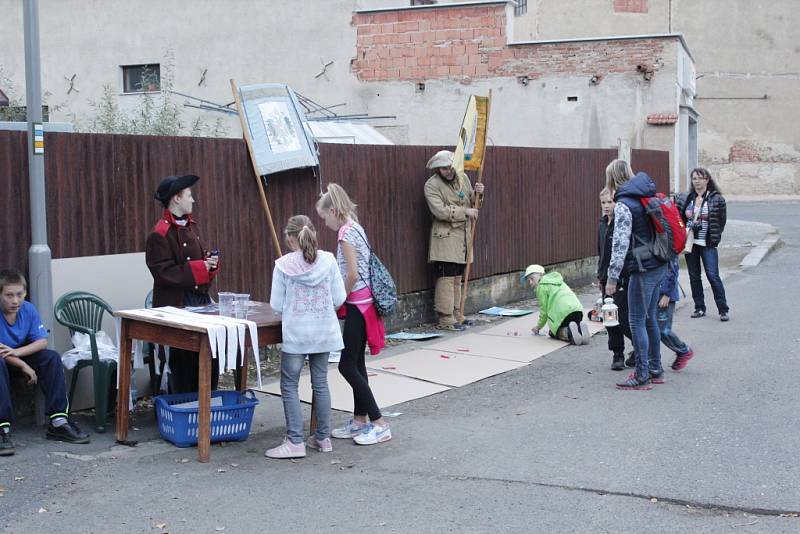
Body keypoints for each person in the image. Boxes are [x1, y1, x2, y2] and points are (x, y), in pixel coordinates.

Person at [316, 184, 391, 446]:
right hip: (365, 303)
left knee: (346, 365)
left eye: (324, 217)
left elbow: (352, 274)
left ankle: (379, 423)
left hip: (358, 304)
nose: (325, 224)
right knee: (356, 363)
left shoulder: (345, 233)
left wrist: (338, 299)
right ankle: (360, 420)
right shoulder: (356, 226)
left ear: (334, 211)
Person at [265, 216, 346, 459]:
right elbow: (339, 297)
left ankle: (295, 441)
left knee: (289, 384)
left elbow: (276, 304)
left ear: (291, 238)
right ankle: (323, 437)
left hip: (296, 335)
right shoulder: (329, 260)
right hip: (324, 332)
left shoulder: (283, 266)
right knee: (320, 382)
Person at [0, 269, 90, 456]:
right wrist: (24, 365)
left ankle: (58, 421)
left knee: (51, 357)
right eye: (9, 295)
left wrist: (18, 352)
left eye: (19, 294)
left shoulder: (28, 309)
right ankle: (3, 428)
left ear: (25, 292)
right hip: (4, 361)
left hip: (16, 355)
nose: (15, 301)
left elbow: (42, 341)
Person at [145, 174, 220, 394]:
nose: (193, 200)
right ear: (176, 199)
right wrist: (199, 268)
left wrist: (209, 265)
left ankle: (208, 411)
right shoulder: (159, 234)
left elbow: (195, 260)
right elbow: (163, 273)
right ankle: (186, 415)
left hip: (199, 301)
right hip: (177, 306)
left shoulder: (191, 227)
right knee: (183, 364)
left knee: (209, 359)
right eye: (189, 195)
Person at [605, 159, 668, 390]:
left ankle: (641, 374)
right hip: (658, 263)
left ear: (612, 179)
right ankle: (656, 368)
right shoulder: (644, 195)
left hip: (642, 268)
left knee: (636, 320)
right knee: (649, 318)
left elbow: (620, 244)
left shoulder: (624, 204)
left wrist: (612, 278)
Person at [424, 150, 486, 330]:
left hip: (463, 238)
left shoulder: (463, 178)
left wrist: (478, 194)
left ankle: (457, 313)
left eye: (450, 167)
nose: (448, 171)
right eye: (444, 168)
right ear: (437, 169)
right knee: (446, 278)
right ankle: (445, 318)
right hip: (445, 238)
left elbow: (472, 202)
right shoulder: (431, 185)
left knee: (458, 277)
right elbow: (440, 211)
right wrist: (464, 212)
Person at [677, 167, 729, 321]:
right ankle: (699, 307)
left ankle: (723, 309)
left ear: (707, 179)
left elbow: (721, 221)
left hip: (707, 243)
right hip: (690, 243)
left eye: (700, 178)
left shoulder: (717, 199)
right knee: (694, 276)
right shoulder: (686, 198)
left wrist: (714, 236)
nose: (697, 181)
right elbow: (680, 219)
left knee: (713, 275)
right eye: (694, 178)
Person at [596, 188, 633, 370]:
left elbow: (621, 253)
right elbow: (601, 252)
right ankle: (617, 354)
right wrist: (600, 277)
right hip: (605, 279)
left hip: (620, 278)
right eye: (603, 203)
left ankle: (639, 348)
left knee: (624, 318)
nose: (606, 206)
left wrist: (615, 277)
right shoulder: (602, 224)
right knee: (610, 318)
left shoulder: (621, 224)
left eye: (610, 202)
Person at [522, 264, 590, 345]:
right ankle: (580, 329)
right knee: (573, 324)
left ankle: (568, 333)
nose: (530, 282)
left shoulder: (541, 287)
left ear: (541, 275)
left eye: (532, 278)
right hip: (577, 310)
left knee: (553, 332)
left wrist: (538, 327)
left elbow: (544, 311)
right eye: (528, 280)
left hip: (562, 314)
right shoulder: (557, 280)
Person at [658, 257, 694, 373]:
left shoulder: (667, 241)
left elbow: (673, 268)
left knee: (663, 330)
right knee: (652, 329)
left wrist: (667, 294)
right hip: (654, 291)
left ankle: (684, 350)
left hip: (665, 294)